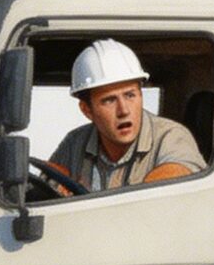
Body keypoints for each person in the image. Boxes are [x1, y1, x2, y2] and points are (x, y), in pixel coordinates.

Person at [45, 38, 205, 192]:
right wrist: (56, 184)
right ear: (87, 110)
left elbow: (178, 174)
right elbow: (48, 185)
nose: (124, 110)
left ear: (141, 95)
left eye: (130, 95)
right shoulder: (75, 142)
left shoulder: (170, 136)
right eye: (109, 100)